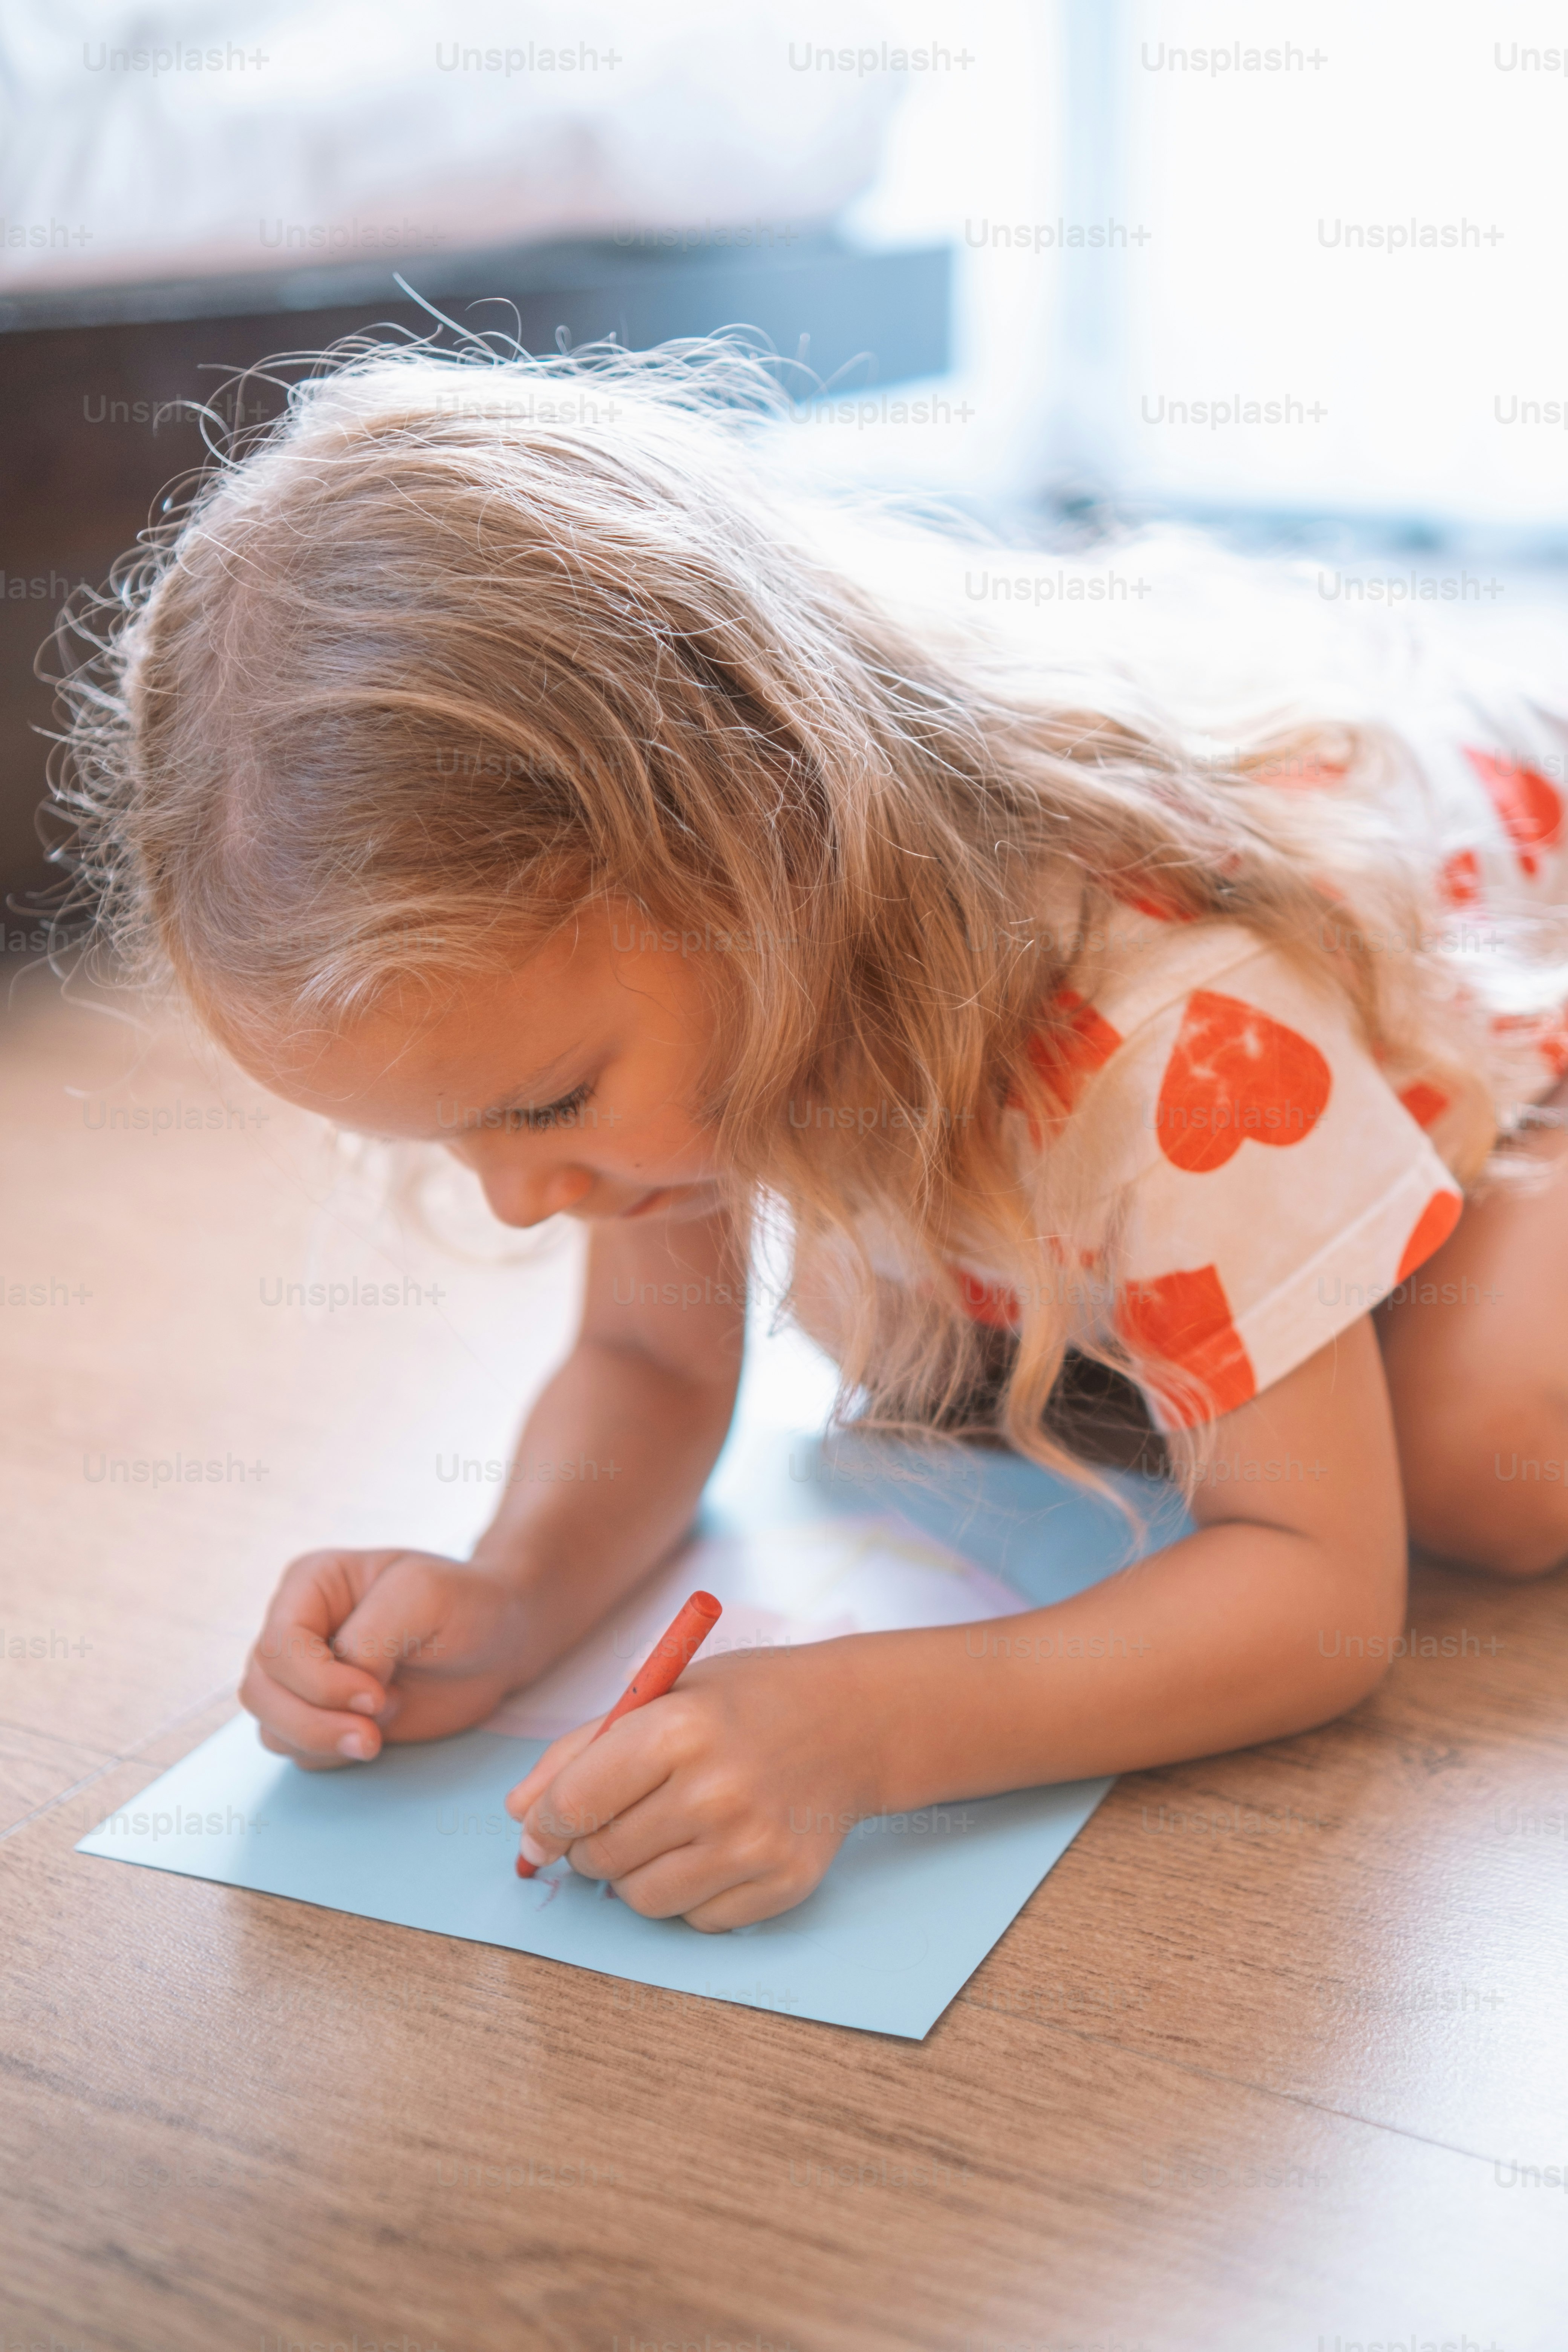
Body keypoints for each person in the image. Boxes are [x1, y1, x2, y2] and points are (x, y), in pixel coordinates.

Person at [50, 338, 1568, 1930]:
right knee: (915, 1346)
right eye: (457, 1140)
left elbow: (1318, 1601)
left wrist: (860, 1727)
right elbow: (653, 1365)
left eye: (544, 1105)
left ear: (755, 852)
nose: (515, 1202)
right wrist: (507, 1595)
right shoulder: (698, 961)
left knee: (1487, 1459)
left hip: (1478, 938)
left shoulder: (1165, 1027)